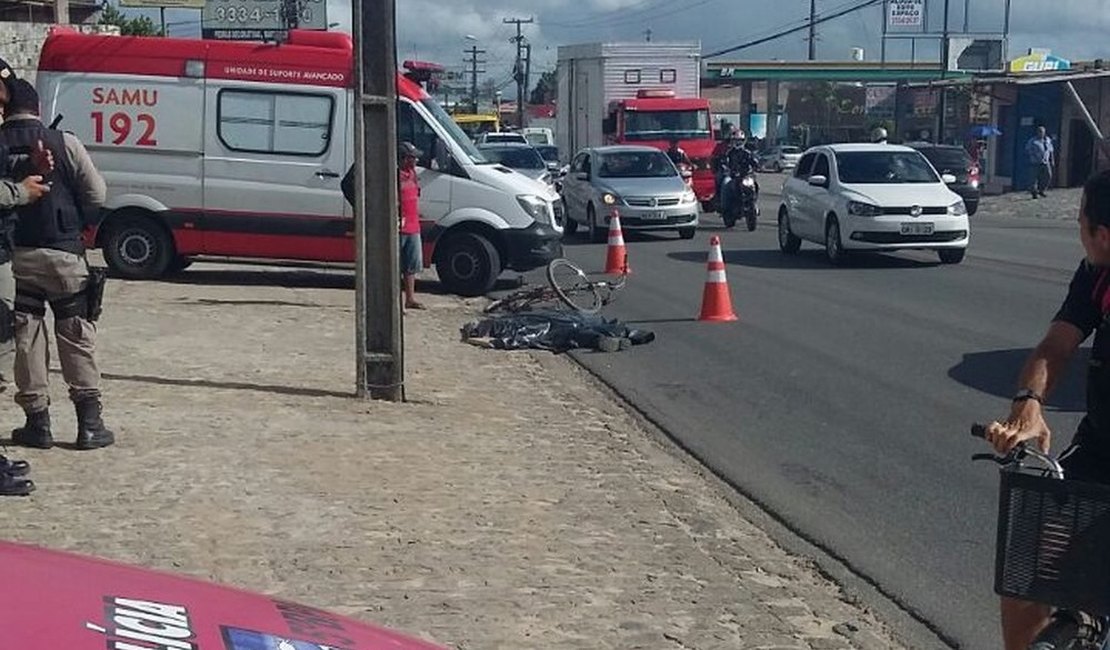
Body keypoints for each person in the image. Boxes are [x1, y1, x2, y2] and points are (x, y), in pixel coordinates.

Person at [983, 169, 1110, 650]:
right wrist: (1029, 405)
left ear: (1103, 234)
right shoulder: (1097, 272)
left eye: (1079, 221)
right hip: (1099, 452)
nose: (1076, 228)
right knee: (1027, 569)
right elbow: (1057, 344)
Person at [0, 78, 112, 451]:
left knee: (27, 337)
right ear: (38, 109)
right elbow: (97, 193)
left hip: (17, 256)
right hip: (64, 254)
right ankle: (90, 424)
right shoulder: (63, 142)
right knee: (75, 332)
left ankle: (38, 424)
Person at [340, 141, 425, 311]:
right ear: (403, 159)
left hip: (413, 225)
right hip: (396, 225)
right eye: (412, 158)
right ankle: (393, 302)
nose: (415, 161)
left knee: (412, 265)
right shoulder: (390, 175)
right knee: (393, 266)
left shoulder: (413, 173)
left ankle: (410, 298)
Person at [1025, 125, 1055, 199]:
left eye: (1042, 132)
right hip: (1035, 162)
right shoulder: (1032, 141)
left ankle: (1042, 190)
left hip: (1045, 162)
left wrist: (1052, 160)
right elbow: (1028, 150)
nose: (1041, 133)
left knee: (1048, 176)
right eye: (1040, 132)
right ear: (1037, 132)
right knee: (1033, 178)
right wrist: (1033, 156)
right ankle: (1034, 193)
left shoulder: (1048, 140)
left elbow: (1051, 151)